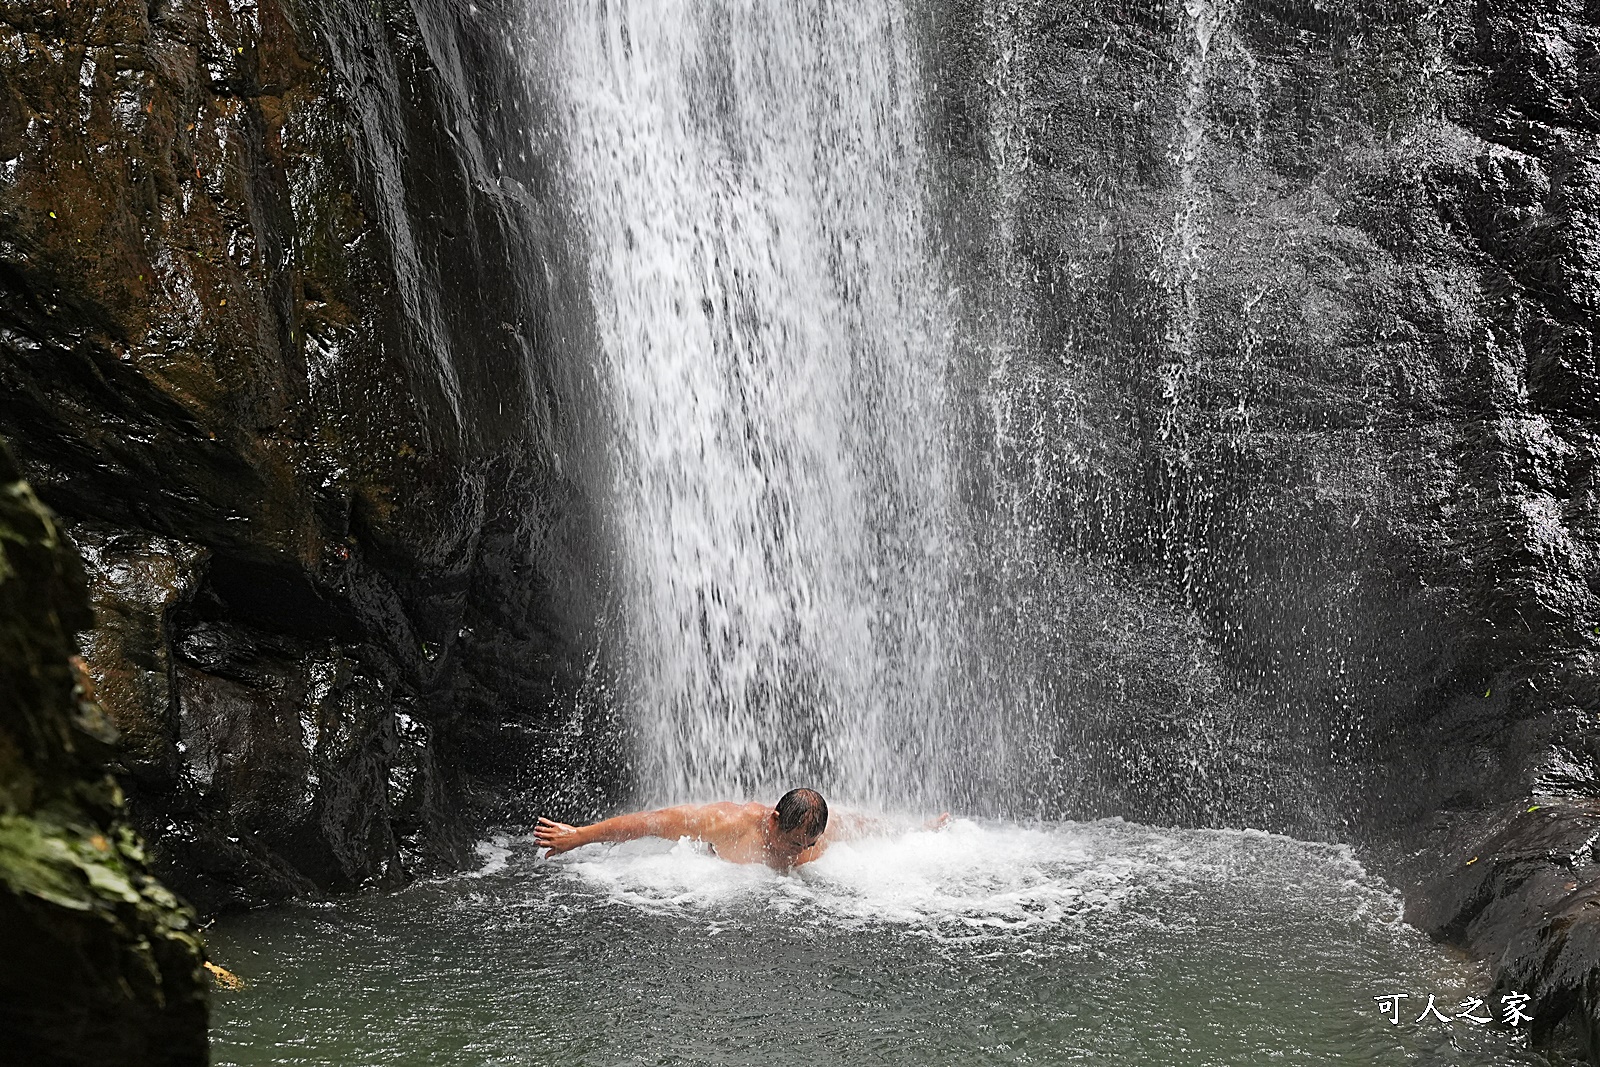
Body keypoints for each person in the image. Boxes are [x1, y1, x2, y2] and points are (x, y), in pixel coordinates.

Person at [535, 788, 951, 871]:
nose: (796, 855)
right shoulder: (729, 823)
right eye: (790, 844)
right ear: (773, 820)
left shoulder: (817, 833)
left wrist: (917, 830)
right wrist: (579, 835)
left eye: (805, 845)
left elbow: (866, 824)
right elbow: (653, 823)